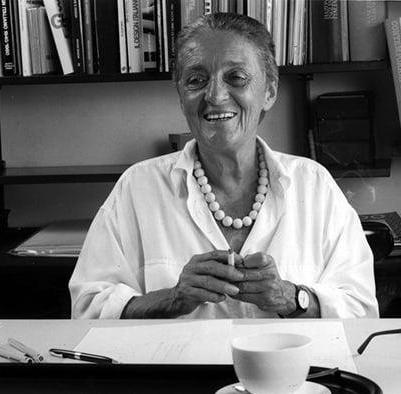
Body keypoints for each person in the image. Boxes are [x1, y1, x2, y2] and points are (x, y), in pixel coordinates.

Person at [69, 13, 378, 320]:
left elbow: (362, 312)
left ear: (269, 92)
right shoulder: (137, 187)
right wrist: (172, 299)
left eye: (236, 78)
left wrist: (291, 298)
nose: (215, 96)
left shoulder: (314, 185)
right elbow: (86, 310)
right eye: (196, 80)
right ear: (181, 97)